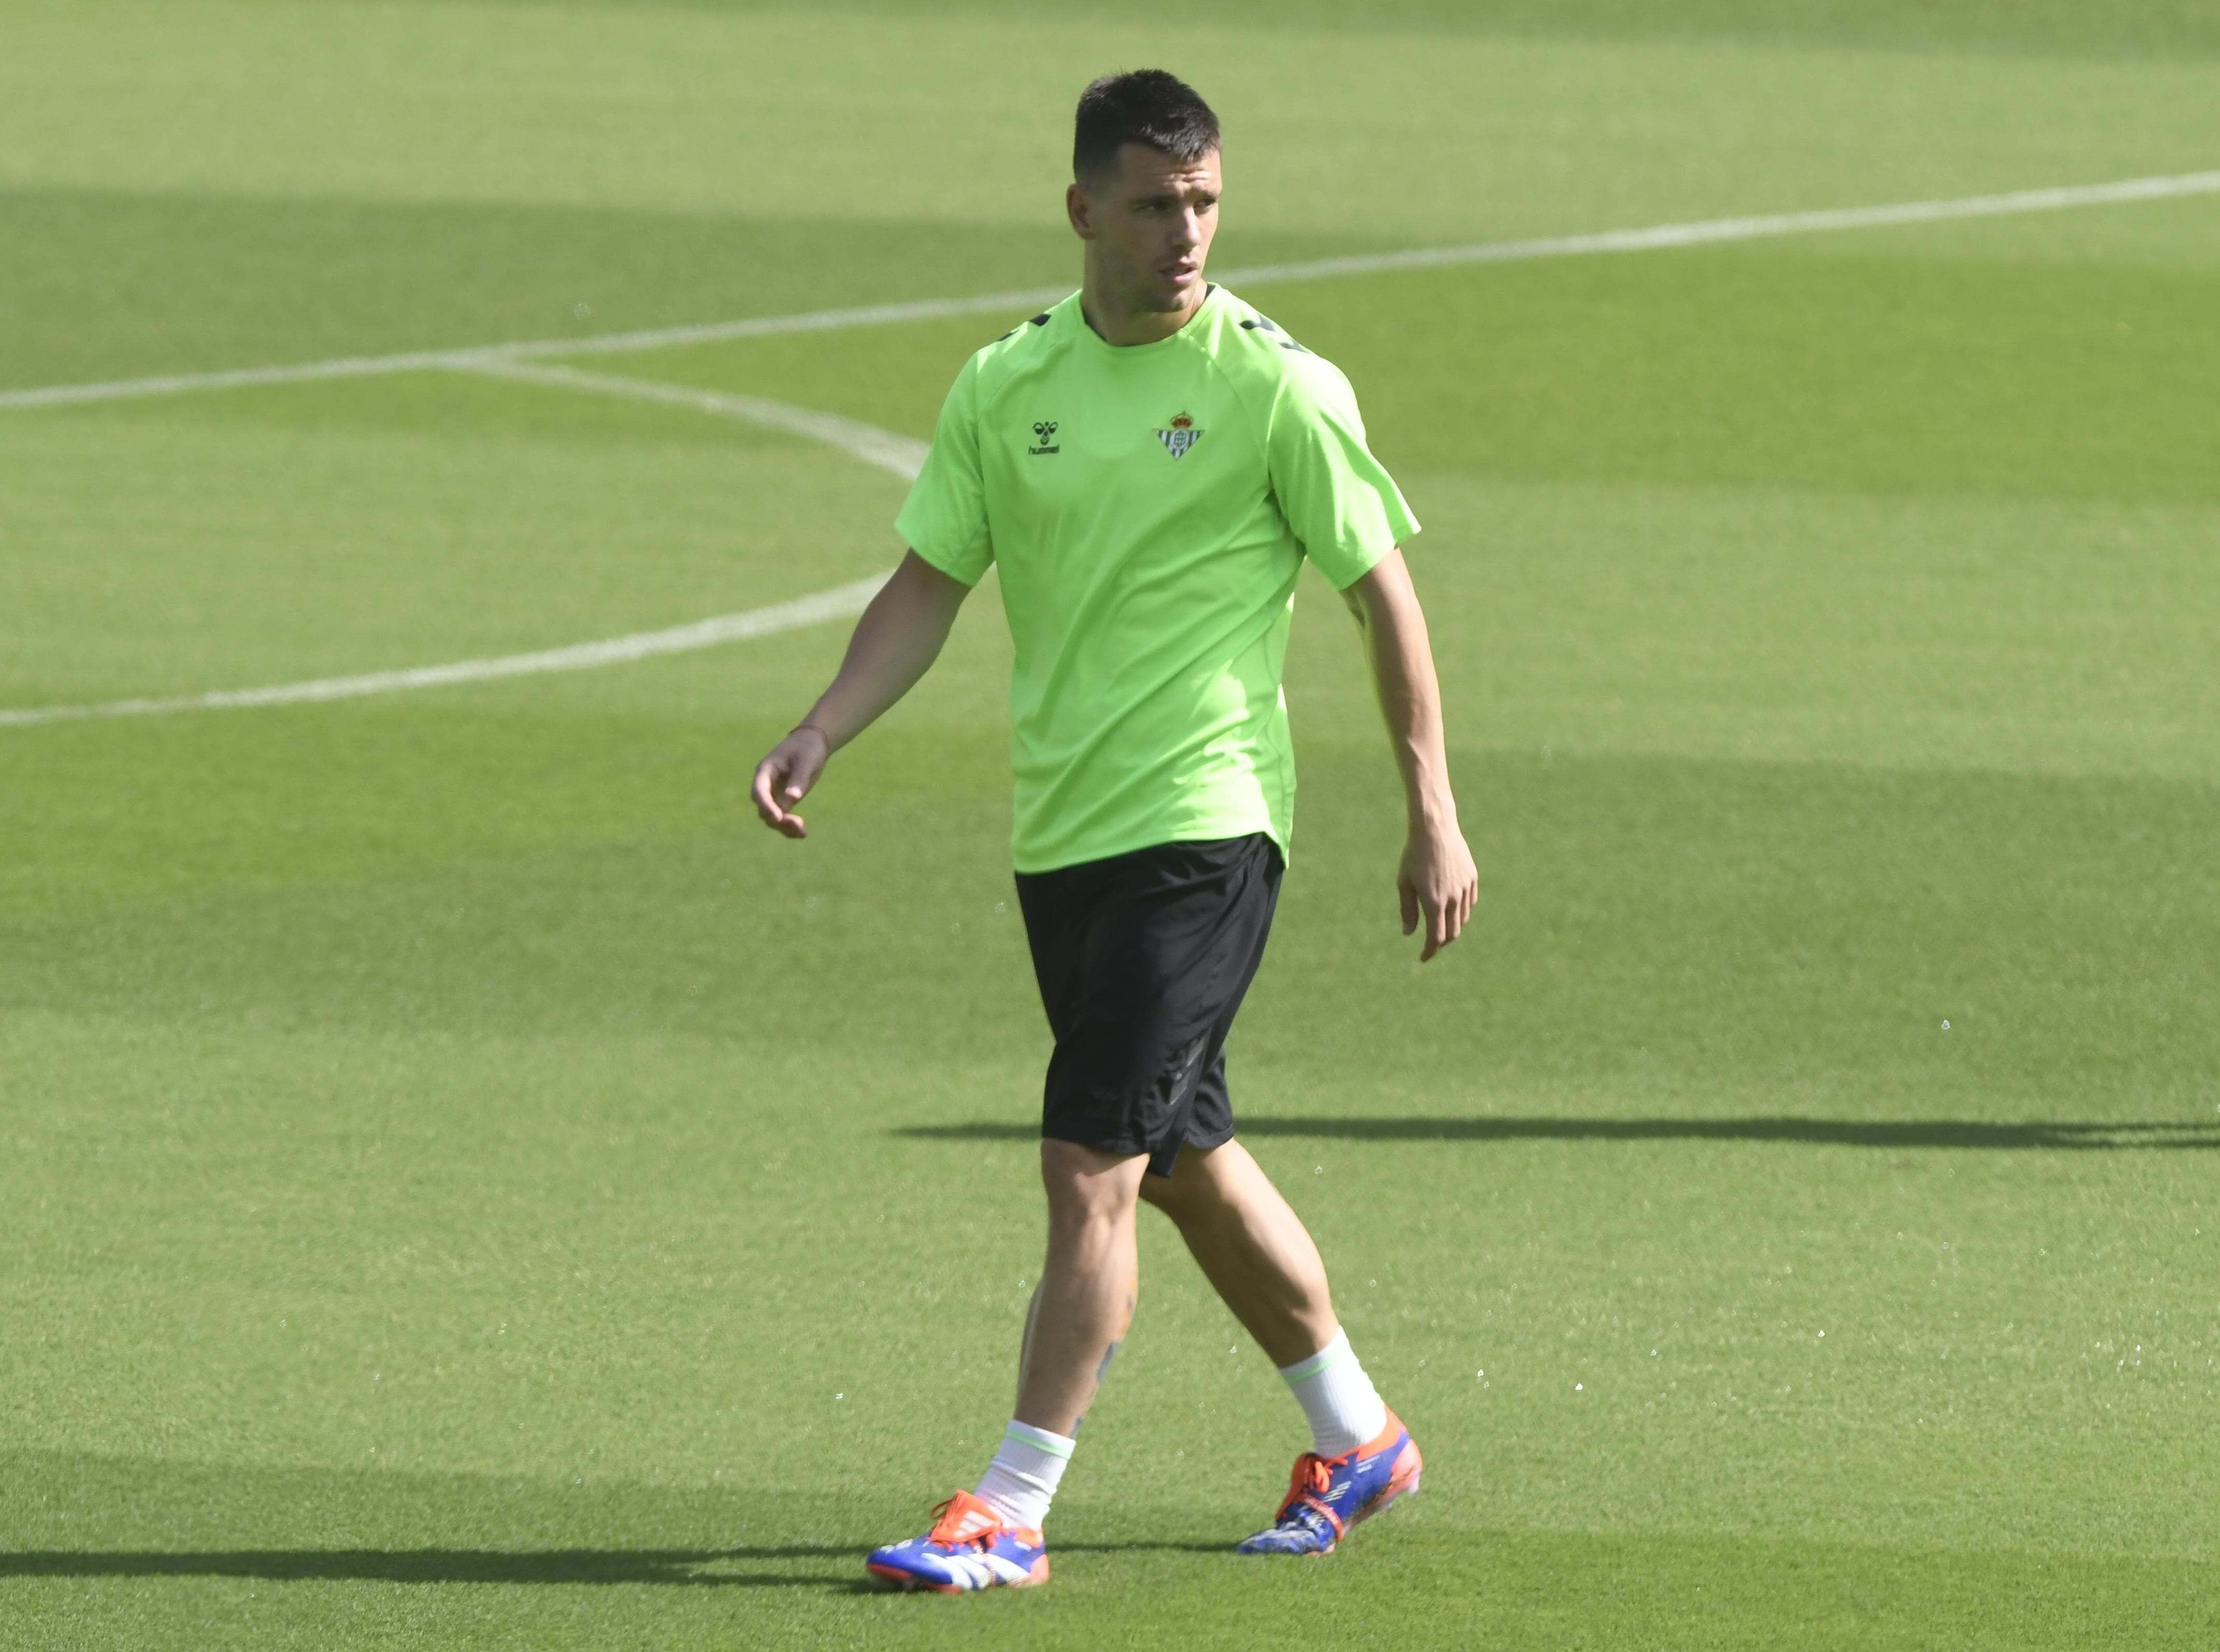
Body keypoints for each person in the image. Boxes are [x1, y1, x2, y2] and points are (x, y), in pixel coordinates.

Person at [750, 68, 1477, 1592]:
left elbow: (1380, 591)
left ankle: (1012, 1503)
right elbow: (930, 580)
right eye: (1153, 205)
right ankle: (1357, 1437)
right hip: (1063, 831)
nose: (1184, 233)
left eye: (1204, 202)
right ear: (1083, 210)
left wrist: (1430, 805)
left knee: (1087, 1159)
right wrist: (826, 720)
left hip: (1204, 826)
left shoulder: (1277, 383)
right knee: (1178, 1154)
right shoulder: (1004, 386)